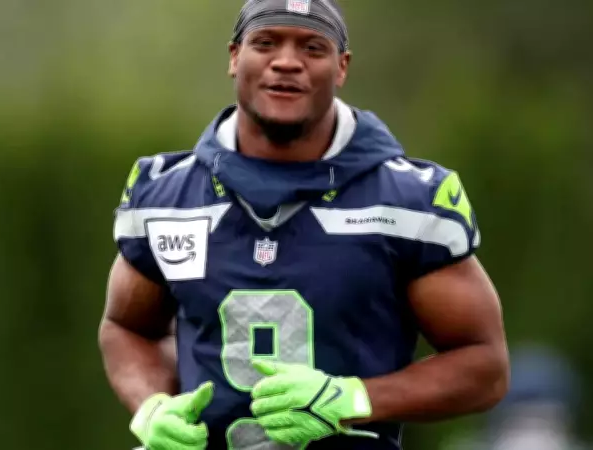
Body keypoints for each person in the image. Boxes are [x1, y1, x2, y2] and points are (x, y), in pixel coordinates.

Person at [98, 0, 509, 449]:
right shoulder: (167, 196)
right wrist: (152, 405)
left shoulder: (408, 202)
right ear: (234, 56)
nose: (287, 62)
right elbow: (126, 327)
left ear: (341, 67)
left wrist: (353, 398)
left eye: (312, 48)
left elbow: (484, 364)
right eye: (266, 43)